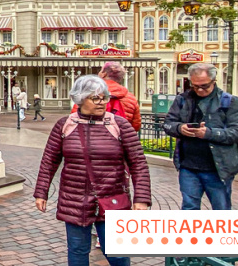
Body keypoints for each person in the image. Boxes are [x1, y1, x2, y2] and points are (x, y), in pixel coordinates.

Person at [34, 75, 151, 266]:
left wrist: (141, 199)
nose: (102, 102)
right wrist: (41, 193)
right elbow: (49, 161)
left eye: (104, 97)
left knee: (117, 254)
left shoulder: (119, 125)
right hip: (74, 199)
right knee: (78, 251)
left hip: (112, 199)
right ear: (80, 99)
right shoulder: (65, 125)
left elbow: (138, 163)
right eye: (95, 98)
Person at [163, 63, 238, 210]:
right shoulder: (182, 100)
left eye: (204, 86)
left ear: (214, 81)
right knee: (189, 208)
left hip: (218, 168)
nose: (200, 90)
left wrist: (209, 133)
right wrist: (179, 128)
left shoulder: (230, 102)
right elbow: (168, 124)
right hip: (188, 166)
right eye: (195, 86)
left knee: (221, 209)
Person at [71, 62, 141, 132]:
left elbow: (74, 119)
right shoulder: (131, 98)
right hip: (119, 138)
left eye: (100, 70)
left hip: (89, 137)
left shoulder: (89, 93)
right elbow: (136, 126)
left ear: (103, 74)